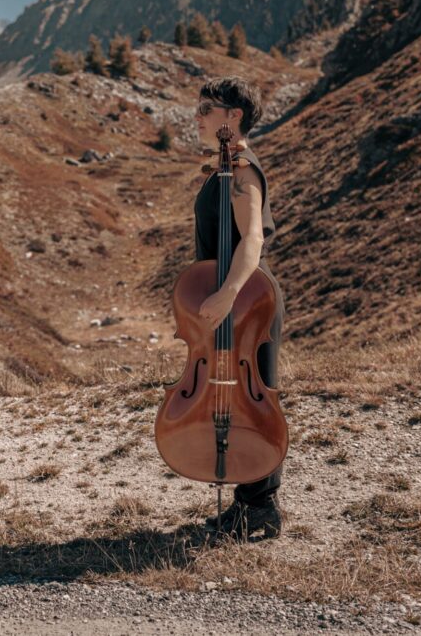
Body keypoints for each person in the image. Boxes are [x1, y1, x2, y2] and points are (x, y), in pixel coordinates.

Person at [190, 75, 286, 539]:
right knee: (236, 394)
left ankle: (262, 506)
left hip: (247, 301)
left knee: (254, 396)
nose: (199, 117)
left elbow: (253, 240)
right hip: (231, 298)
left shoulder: (243, 170)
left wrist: (227, 292)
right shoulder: (223, 170)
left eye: (207, 108)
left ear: (234, 117)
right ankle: (247, 504)